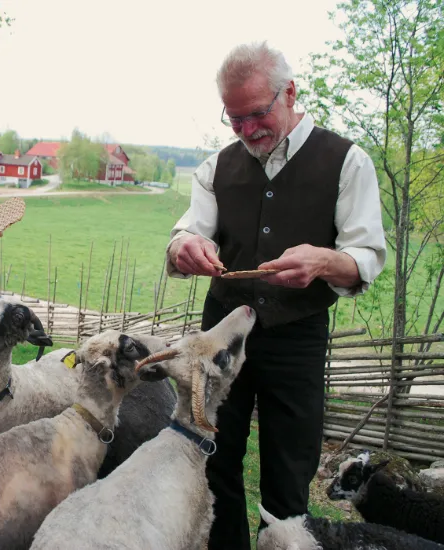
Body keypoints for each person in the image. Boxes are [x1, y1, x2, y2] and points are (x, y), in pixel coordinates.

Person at [166, 42, 386, 549]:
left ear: (289, 92)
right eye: (234, 119)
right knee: (213, 459)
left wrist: (325, 261)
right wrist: (186, 246)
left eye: (256, 115)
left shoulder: (347, 162)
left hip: (297, 337)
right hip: (222, 329)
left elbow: (367, 256)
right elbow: (185, 233)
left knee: (289, 475)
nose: (246, 131)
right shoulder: (215, 168)